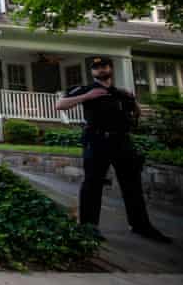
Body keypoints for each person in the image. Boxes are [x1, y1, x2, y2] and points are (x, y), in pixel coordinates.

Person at [56, 57, 172, 243]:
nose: (101, 70)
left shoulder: (121, 93)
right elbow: (60, 105)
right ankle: (89, 226)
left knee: (132, 185)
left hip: (122, 142)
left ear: (110, 68)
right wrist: (87, 97)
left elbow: (136, 113)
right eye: (96, 68)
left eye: (104, 66)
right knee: (93, 184)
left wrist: (133, 101)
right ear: (92, 72)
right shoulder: (86, 89)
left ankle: (140, 225)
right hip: (97, 140)